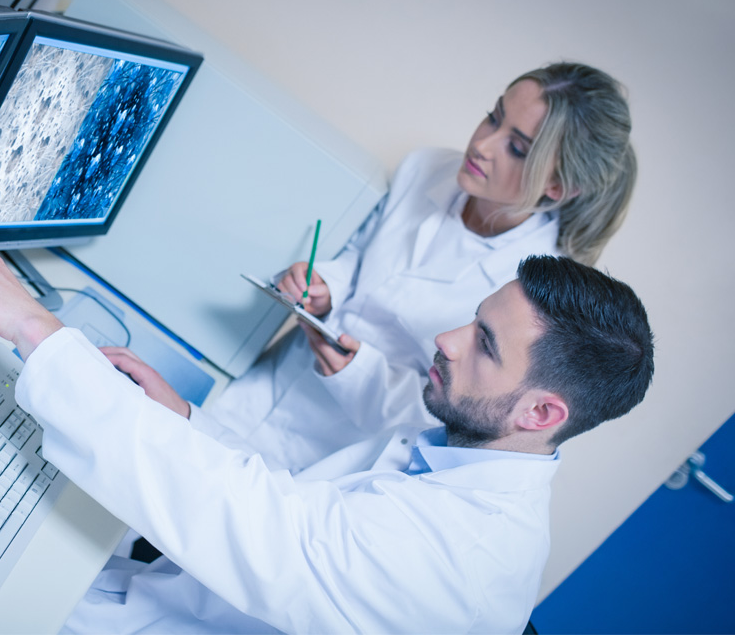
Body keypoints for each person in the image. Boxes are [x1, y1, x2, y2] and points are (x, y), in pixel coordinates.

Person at [0, 207, 654, 633]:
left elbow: (257, 524)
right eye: (472, 321)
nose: (446, 340)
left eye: (484, 345)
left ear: (543, 412)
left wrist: (35, 326)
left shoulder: (461, 562)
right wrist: (182, 418)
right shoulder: (464, 454)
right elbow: (297, 505)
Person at [196, 62, 639, 473]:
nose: (482, 145)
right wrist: (326, 284)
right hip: (265, 388)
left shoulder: (530, 296)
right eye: (492, 116)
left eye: (517, 148)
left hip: (338, 448)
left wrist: (360, 377)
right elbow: (361, 249)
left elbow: (460, 414)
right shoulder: (428, 167)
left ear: (558, 185)